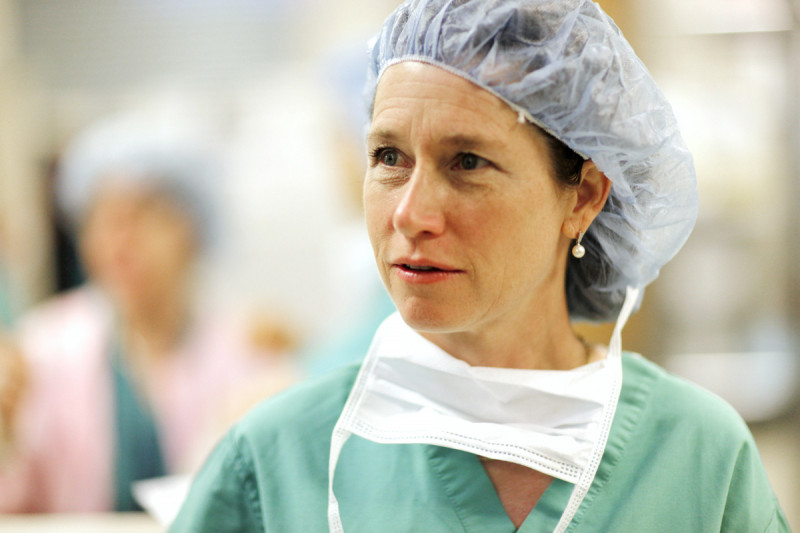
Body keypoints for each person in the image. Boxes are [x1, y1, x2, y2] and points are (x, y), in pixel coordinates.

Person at [170, 1, 789, 531]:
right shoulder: (278, 461)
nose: (411, 213)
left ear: (583, 196)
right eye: (389, 155)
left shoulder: (696, 456)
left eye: (466, 162)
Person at [0, 113, 298, 513]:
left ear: (191, 227)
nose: (118, 242)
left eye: (141, 216)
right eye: (100, 220)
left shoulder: (246, 349)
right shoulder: (42, 347)